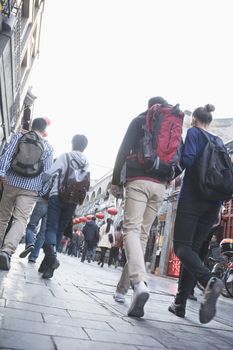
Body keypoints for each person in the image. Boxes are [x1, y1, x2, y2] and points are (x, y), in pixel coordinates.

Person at [111, 96, 170, 317]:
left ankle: (139, 284)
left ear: (149, 107)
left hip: (138, 181)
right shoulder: (171, 125)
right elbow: (179, 159)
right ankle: (122, 290)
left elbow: (123, 149)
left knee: (131, 232)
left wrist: (116, 180)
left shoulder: (140, 120)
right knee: (141, 236)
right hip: (161, 187)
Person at [168, 104, 224, 324]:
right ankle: (179, 304)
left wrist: (172, 175)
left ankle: (209, 280)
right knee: (191, 252)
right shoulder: (219, 141)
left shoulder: (193, 133)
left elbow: (187, 159)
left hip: (192, 198)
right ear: (209, 121)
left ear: (194, 120)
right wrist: (219, 207)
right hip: (212, 204)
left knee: (181, 247)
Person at [0, 118, 53, 270]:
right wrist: (42, 191)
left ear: (31, 126)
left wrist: (2, 172)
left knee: (3, 217)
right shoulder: (48, 147)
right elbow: (47, 173)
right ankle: (7, 251)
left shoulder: (19, 137)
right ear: (43, 131)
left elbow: (7, 156)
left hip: (11, 182)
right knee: (21, 219)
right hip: (31, 189)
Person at [38, 134, 89, 279]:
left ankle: (52, 259)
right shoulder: (86, 162)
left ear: (72, 143)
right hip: (73, 200)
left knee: (51, 228)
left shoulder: (65, 156)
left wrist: (40, 179)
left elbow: (48, 173)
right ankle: (47, 266)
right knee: (59, 231)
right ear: (85, 146)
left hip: (57, 195)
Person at [19, 197, 48, 262]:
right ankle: (33, 257)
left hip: (41, 202)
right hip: (53, 206)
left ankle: (30, 243)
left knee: (31, 226)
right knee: (43, 233)